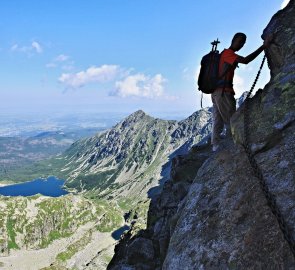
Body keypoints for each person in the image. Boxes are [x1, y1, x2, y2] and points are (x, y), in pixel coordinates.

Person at [211, 32, 273, 151]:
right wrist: (264, 46)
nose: (241, 45)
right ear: (233, 40)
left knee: (217, 118)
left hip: (215, 92)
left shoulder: (223, 54)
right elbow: (245, 60)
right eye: (239, 42)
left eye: (243, 43)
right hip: (224, 92)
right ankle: (233, 145)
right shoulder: (228, 54)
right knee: (231, 120)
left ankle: (216, 146)